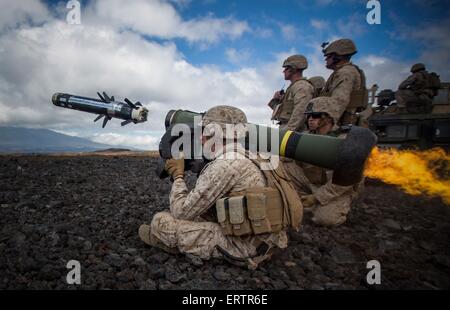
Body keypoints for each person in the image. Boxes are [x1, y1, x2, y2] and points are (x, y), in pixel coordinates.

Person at [139, 106, 302, 269]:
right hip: (270, 239)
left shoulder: (226, 164)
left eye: (204, 131)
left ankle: (171, 244)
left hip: (246, 248)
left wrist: (178, 176)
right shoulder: (257, 156)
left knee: (161, 222)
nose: (201, 137)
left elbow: (181, 212)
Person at [284, 97, 362, 227]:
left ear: (329, 117)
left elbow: (345, 181)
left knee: (325, 219)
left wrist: (316, 197)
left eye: (315, 115)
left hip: (335, 189)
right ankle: (302, 201)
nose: (310, 119)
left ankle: (319, 205)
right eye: (308, 116)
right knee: (283, 166)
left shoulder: (346, 141)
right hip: (311, 183)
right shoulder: (306, 136)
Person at [319, 39, 368, 126]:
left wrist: (329, 126)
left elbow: (339, 101)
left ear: (338, 56)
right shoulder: (340, 72)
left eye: (329, 56)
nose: (326, 59)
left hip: (340, 124)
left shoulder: (345, 73)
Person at [269, 54, 314, 132]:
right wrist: (276, 100)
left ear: (293, 69)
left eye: (286, 68)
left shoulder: (302, 86)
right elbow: (283, 112)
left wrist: (287, 132)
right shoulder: (293, 87)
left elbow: (301, 112)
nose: (284, 71)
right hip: (287, 128)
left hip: (294, 131)